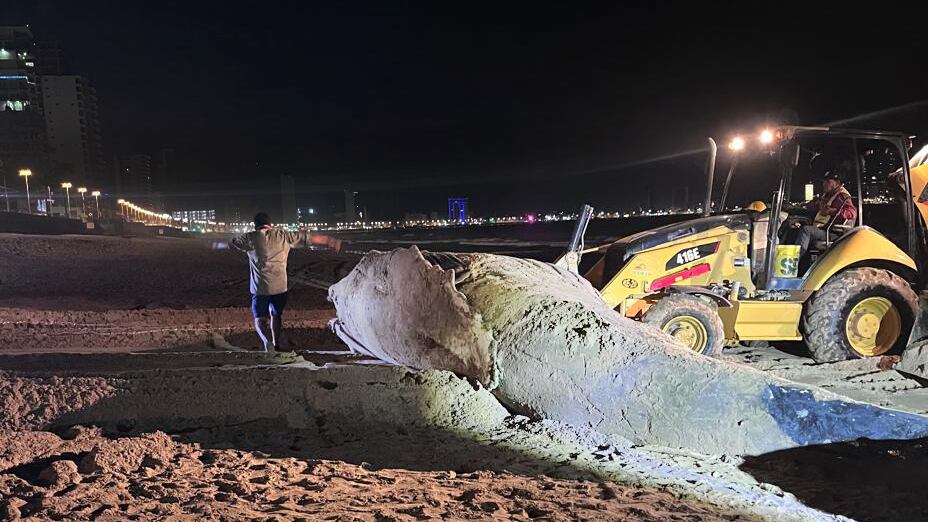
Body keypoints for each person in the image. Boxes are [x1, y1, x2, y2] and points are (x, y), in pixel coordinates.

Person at [231, 212, 340, 352]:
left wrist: (222, 243)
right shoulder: (283, 236)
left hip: (260, 288)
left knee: (259, 318)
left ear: (255, 225)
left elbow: (232, 243)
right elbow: (307, 238)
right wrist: (330, 241)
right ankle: (276, 343)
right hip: (280, 288)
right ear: (270, 225)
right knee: (276, 315)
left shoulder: (250, 238)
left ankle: (266, 342)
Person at [791, 172, 857, 260]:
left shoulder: (842, 196)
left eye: (828, 182)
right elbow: (816, 206)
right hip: (822, 228)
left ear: (837, 183)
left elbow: (852, 212)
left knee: (806, 230)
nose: (824, 184)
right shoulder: (828, 195)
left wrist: (833, 212)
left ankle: (793, 262)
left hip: (832, 232)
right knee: (794, 230)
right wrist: (798, 207)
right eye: (824, 181)